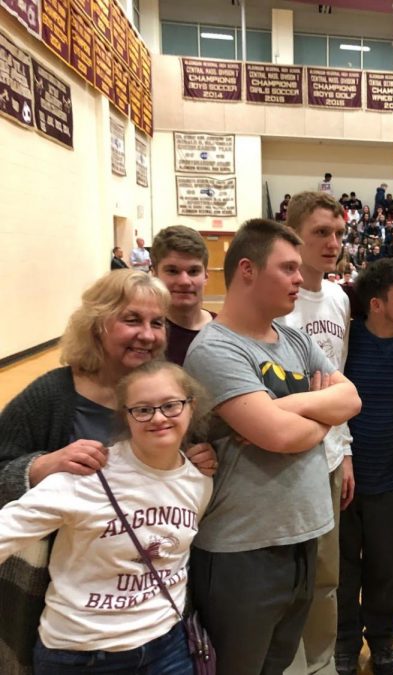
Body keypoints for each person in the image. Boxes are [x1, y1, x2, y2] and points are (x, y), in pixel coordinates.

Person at [0, 270, 217, 674]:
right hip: (65, 609)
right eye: (132, 320)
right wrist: (37, 467)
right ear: (97, 324)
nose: (148, 335)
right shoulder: (52, 395)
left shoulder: (163, 392)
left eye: (157, 323)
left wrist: (200, 457)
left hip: (149, 614)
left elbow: (174, 473)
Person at [183, 218, 361, 675]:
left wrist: (291, 407)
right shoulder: (216, 349)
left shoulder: (294, 339)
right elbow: (279, 436)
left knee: (278, 666)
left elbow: (351, 398)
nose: (300, 279)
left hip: (303, 535)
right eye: (287, 269)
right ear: (247, 270)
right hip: (243, 550)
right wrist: (319, 415)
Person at [336, 259, 393, 675]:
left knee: (385, 568)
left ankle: (383, 640)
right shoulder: (346, 344)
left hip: (391, 480)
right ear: (375, 304)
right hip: (344, 478)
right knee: (343, 567)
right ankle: (345, 643)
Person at [284, 190, 356, 675]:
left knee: (327, 574)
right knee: (286, 576)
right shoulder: (276, 302)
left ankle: (322, 664)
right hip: (282, 457)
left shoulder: (338, 298)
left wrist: (344, 450)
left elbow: (342, 380)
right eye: (320, 233)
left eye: (337, 234)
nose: (332, 243)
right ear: (294, 236)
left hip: (329, 457)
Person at [151, 226, 216, 366]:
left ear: (205, 276)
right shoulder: (147, 337)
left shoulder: (226, 331)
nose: (184, 282)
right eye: (172, 271)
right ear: (154, 274)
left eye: (193, 271)